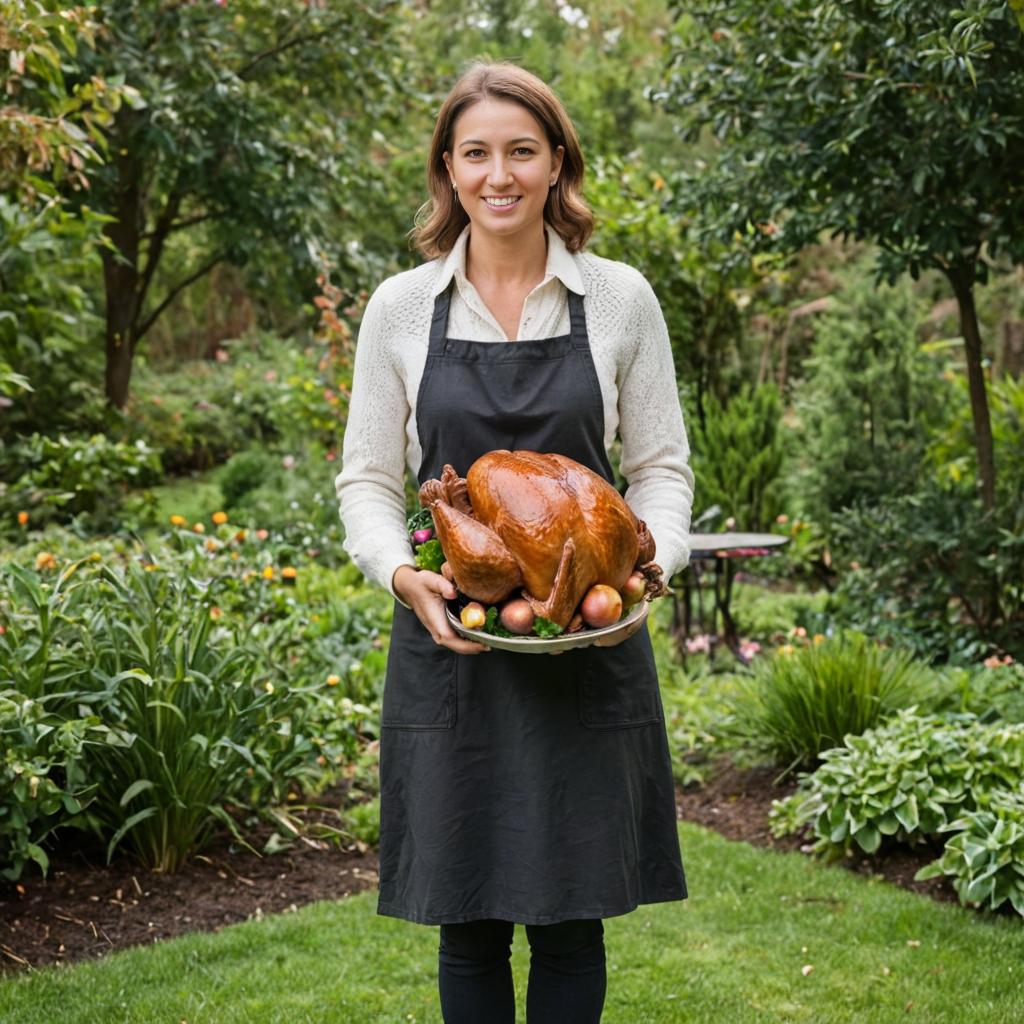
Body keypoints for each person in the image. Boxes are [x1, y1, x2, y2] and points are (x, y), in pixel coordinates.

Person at [336, 60, 694, 1024]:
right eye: (477, 153)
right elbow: (368, 480)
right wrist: (405, 573)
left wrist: (645, 578)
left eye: (522, 151)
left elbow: (661, 467)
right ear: (448, 171)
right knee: (471, 923)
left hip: (589, 637)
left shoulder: (619, 300)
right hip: (457, 639)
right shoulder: (401, 309)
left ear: (557, 164)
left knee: (576, 924)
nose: (500, 174)